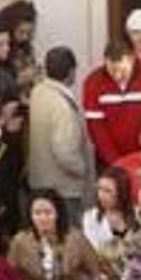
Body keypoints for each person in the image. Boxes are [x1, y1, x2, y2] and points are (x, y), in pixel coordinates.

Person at [28, 46, 92, 222]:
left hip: (40, 182)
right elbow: (64, 153)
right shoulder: (63, 106)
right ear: (71, 71)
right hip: (63, 188)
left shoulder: (37, 92)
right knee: (66, 239)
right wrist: (84, 170)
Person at [82, 40, 141, 171]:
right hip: (107, 160)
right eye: (112, 70)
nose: (117, 75)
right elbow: (96, 129)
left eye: (122, 70)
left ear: (132, 59)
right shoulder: (93, 82)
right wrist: (116, 162)